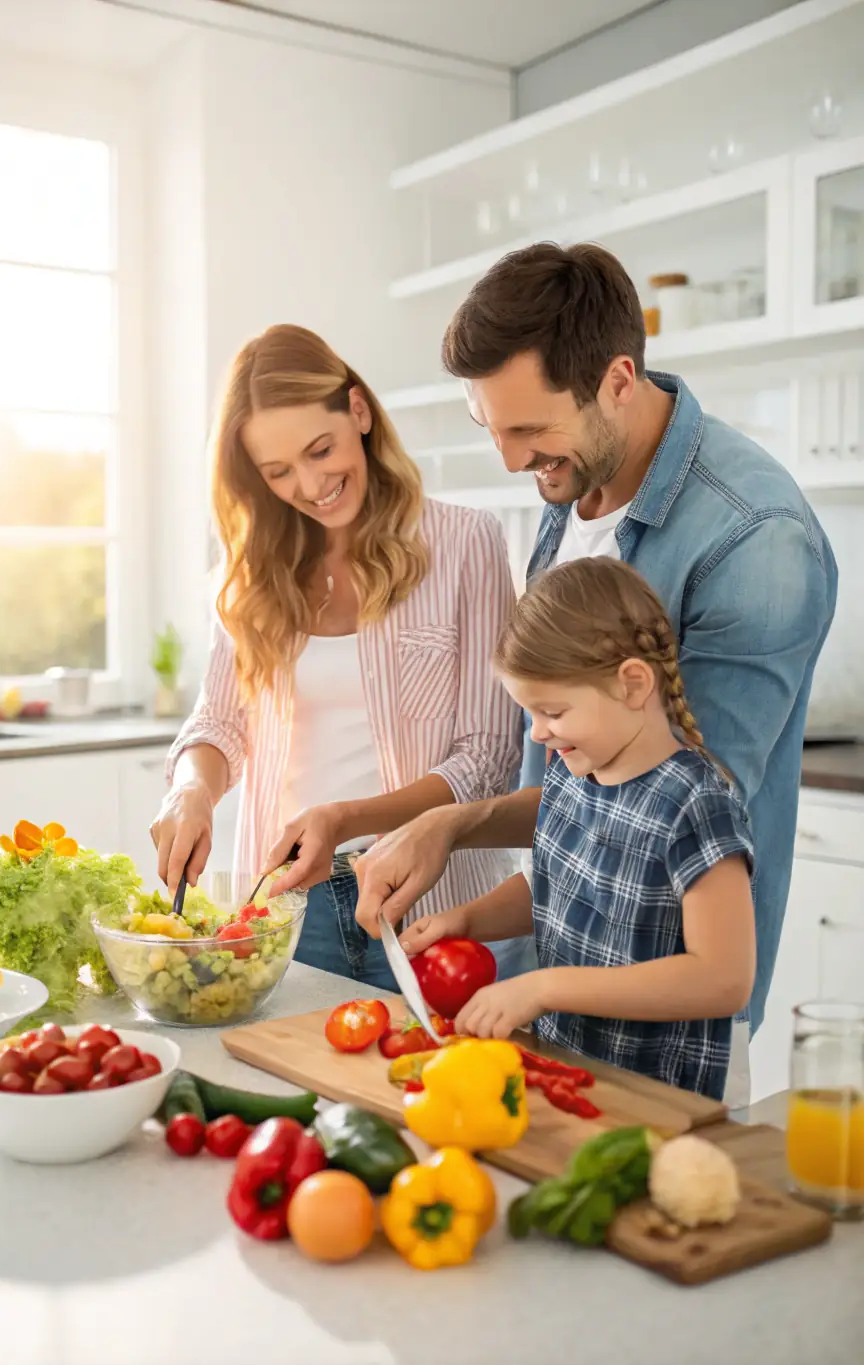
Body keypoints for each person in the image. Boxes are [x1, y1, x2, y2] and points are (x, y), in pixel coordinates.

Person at [354, 243, 837, 1100]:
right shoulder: (577, 482)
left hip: (665, 1040)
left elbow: (655, 804)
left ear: (618, 379)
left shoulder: (757, 541)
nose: (511, 460)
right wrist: (452, 831)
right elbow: (581, 816)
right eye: (493, 430)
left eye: (529, 431)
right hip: (559, 1002)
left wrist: (458, 825)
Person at [150, 323, 523, 992]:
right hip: (290, 904)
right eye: (278, 471)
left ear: (358, 410)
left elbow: (487, 758)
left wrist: (346, 817)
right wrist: (190, 789)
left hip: (423, 902)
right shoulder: (252, 574)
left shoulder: (467, 543)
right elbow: (218, 724)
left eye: (320, 450)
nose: (311, 482)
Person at [400, 557, 755, 1100]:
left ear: (633, 683)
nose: (540, 734)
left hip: (658, 1098)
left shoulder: (697, 804)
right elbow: (556, 888)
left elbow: (723, 979)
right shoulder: (573, 770)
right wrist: (467, 920)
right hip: (572, 1071)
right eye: (531, 715)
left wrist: (546, 987)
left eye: (554, 712)